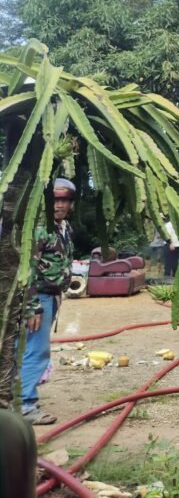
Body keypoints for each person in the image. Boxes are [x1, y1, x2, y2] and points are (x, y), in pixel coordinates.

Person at [21, 178, 76, 425]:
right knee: (36, 350)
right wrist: (32, 306)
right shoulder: (40, 229)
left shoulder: (65, 228)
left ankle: (17, 398)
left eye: (64, 200)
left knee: (28, 348)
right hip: (38, 298)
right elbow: (28, 268)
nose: (59, 205)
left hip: (52, 296)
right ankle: (25, 404)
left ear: (71, 204)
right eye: (55, 199)